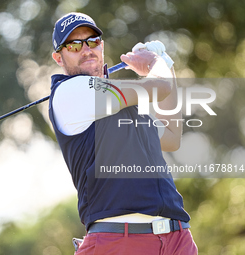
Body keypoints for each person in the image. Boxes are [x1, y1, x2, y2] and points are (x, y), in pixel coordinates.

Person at [49, 12, 198, 255]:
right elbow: (158, 87)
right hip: (119, 240)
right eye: (74, 45)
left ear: (102, 45)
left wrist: (165, 65)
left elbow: (172, 136)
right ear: (58, 57)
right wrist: (155, 64)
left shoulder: (126, 109)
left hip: (176, 238)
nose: (86, 49)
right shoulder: (70, 92)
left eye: (93, 41)